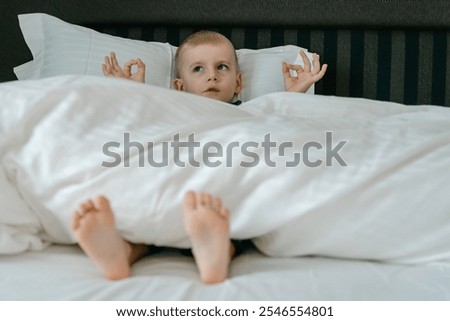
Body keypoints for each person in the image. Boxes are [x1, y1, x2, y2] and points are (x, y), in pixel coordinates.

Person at [72, 31, 327, 284]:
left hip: (221, 188)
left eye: (222, 67)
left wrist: (292, 96)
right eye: (198, 69)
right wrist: (132, 94)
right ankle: (119, 253)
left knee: (232, 219)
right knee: (142, 219)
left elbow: (274, 133)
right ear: (179, 88)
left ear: (238, 83)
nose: (212, 75)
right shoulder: (171, 113)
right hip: (170, 183)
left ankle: (214, 253)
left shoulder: (248, 112)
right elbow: (141, 133)